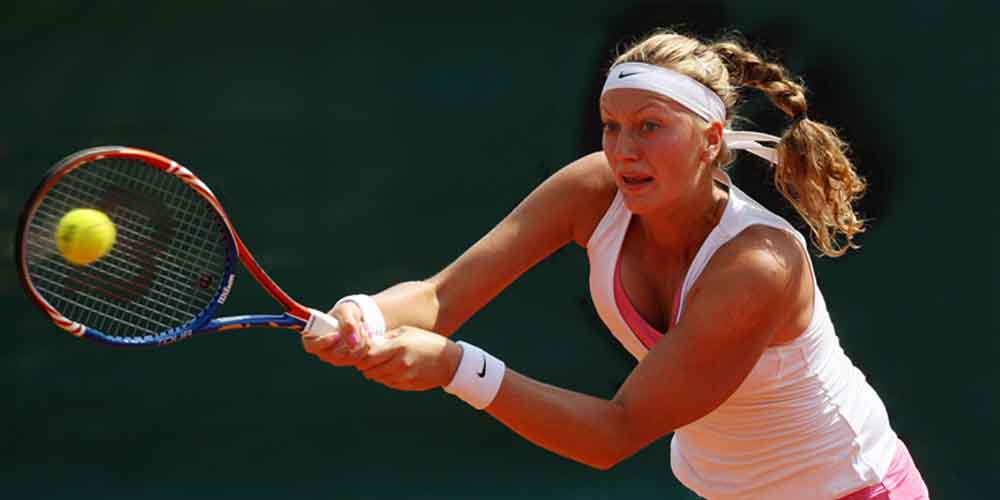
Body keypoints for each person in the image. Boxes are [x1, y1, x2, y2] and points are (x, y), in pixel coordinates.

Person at [301, 31, 929, 499]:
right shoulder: (594, 190)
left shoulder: (756, 266)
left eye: (650, 126)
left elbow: (614, 434)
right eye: (612, 127)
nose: (624, 149)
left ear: (711, 139)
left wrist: (455, 367)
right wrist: (362, 314)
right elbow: (440, 297)